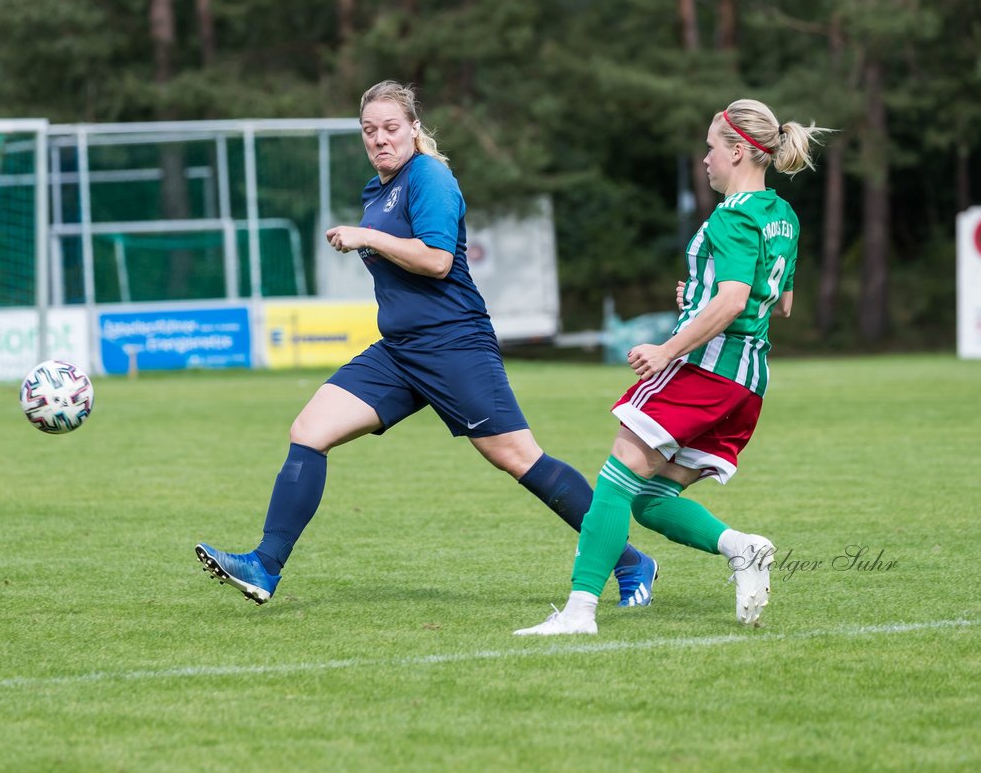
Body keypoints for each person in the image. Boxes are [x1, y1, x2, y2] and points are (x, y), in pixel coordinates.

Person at [194, 80, 658, 606]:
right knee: (309, 430)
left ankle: (631, 562)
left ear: (414, 128)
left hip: (453, 343)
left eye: (391, 128)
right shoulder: (378, 190)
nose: (380, 139)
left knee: (518, 457)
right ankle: (264, 566)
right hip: (399, 351)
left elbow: (437, 261)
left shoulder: (430, 177)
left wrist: (367, 237)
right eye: (369, 131)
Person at [515, 98, 829, 636]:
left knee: (615, 481)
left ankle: (580, 612)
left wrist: (666, 350)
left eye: (710, 148)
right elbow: (780, 302)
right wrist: (701, 293)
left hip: (705, 370)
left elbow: (731, 301)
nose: (704, 159)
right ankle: (742, 549)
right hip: (748, 379)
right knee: (653, 498)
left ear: (736, 150)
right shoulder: (783, 215)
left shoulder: (733, 215)